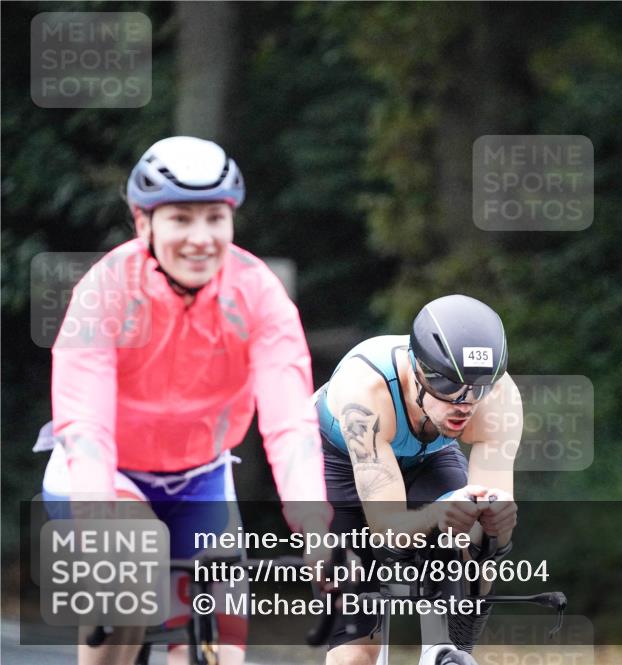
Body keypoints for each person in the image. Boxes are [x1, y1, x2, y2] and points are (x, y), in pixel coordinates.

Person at [37, 136, 333, 665]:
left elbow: (289, 421)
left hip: (200, 477)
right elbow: (85, 424)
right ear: (143, 222)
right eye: (181, 219)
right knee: (131, 567)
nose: (201, 239)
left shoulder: (259, 294)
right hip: (108, 477)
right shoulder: (105, 291)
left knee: (220, 646)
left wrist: (313, 524)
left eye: (215, 218)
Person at [315, 294, 521, 665]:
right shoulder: (365, 392)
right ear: (417, 371)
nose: (465, 403)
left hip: (428, 456)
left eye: (479, 388)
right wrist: (436, 514)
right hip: (339, 459)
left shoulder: (500, 397)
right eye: (449, 387)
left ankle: (448, 651)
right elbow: (387, 531)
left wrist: (492, 530)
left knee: (479, 544)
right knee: (356, 652)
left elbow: (494, 534)